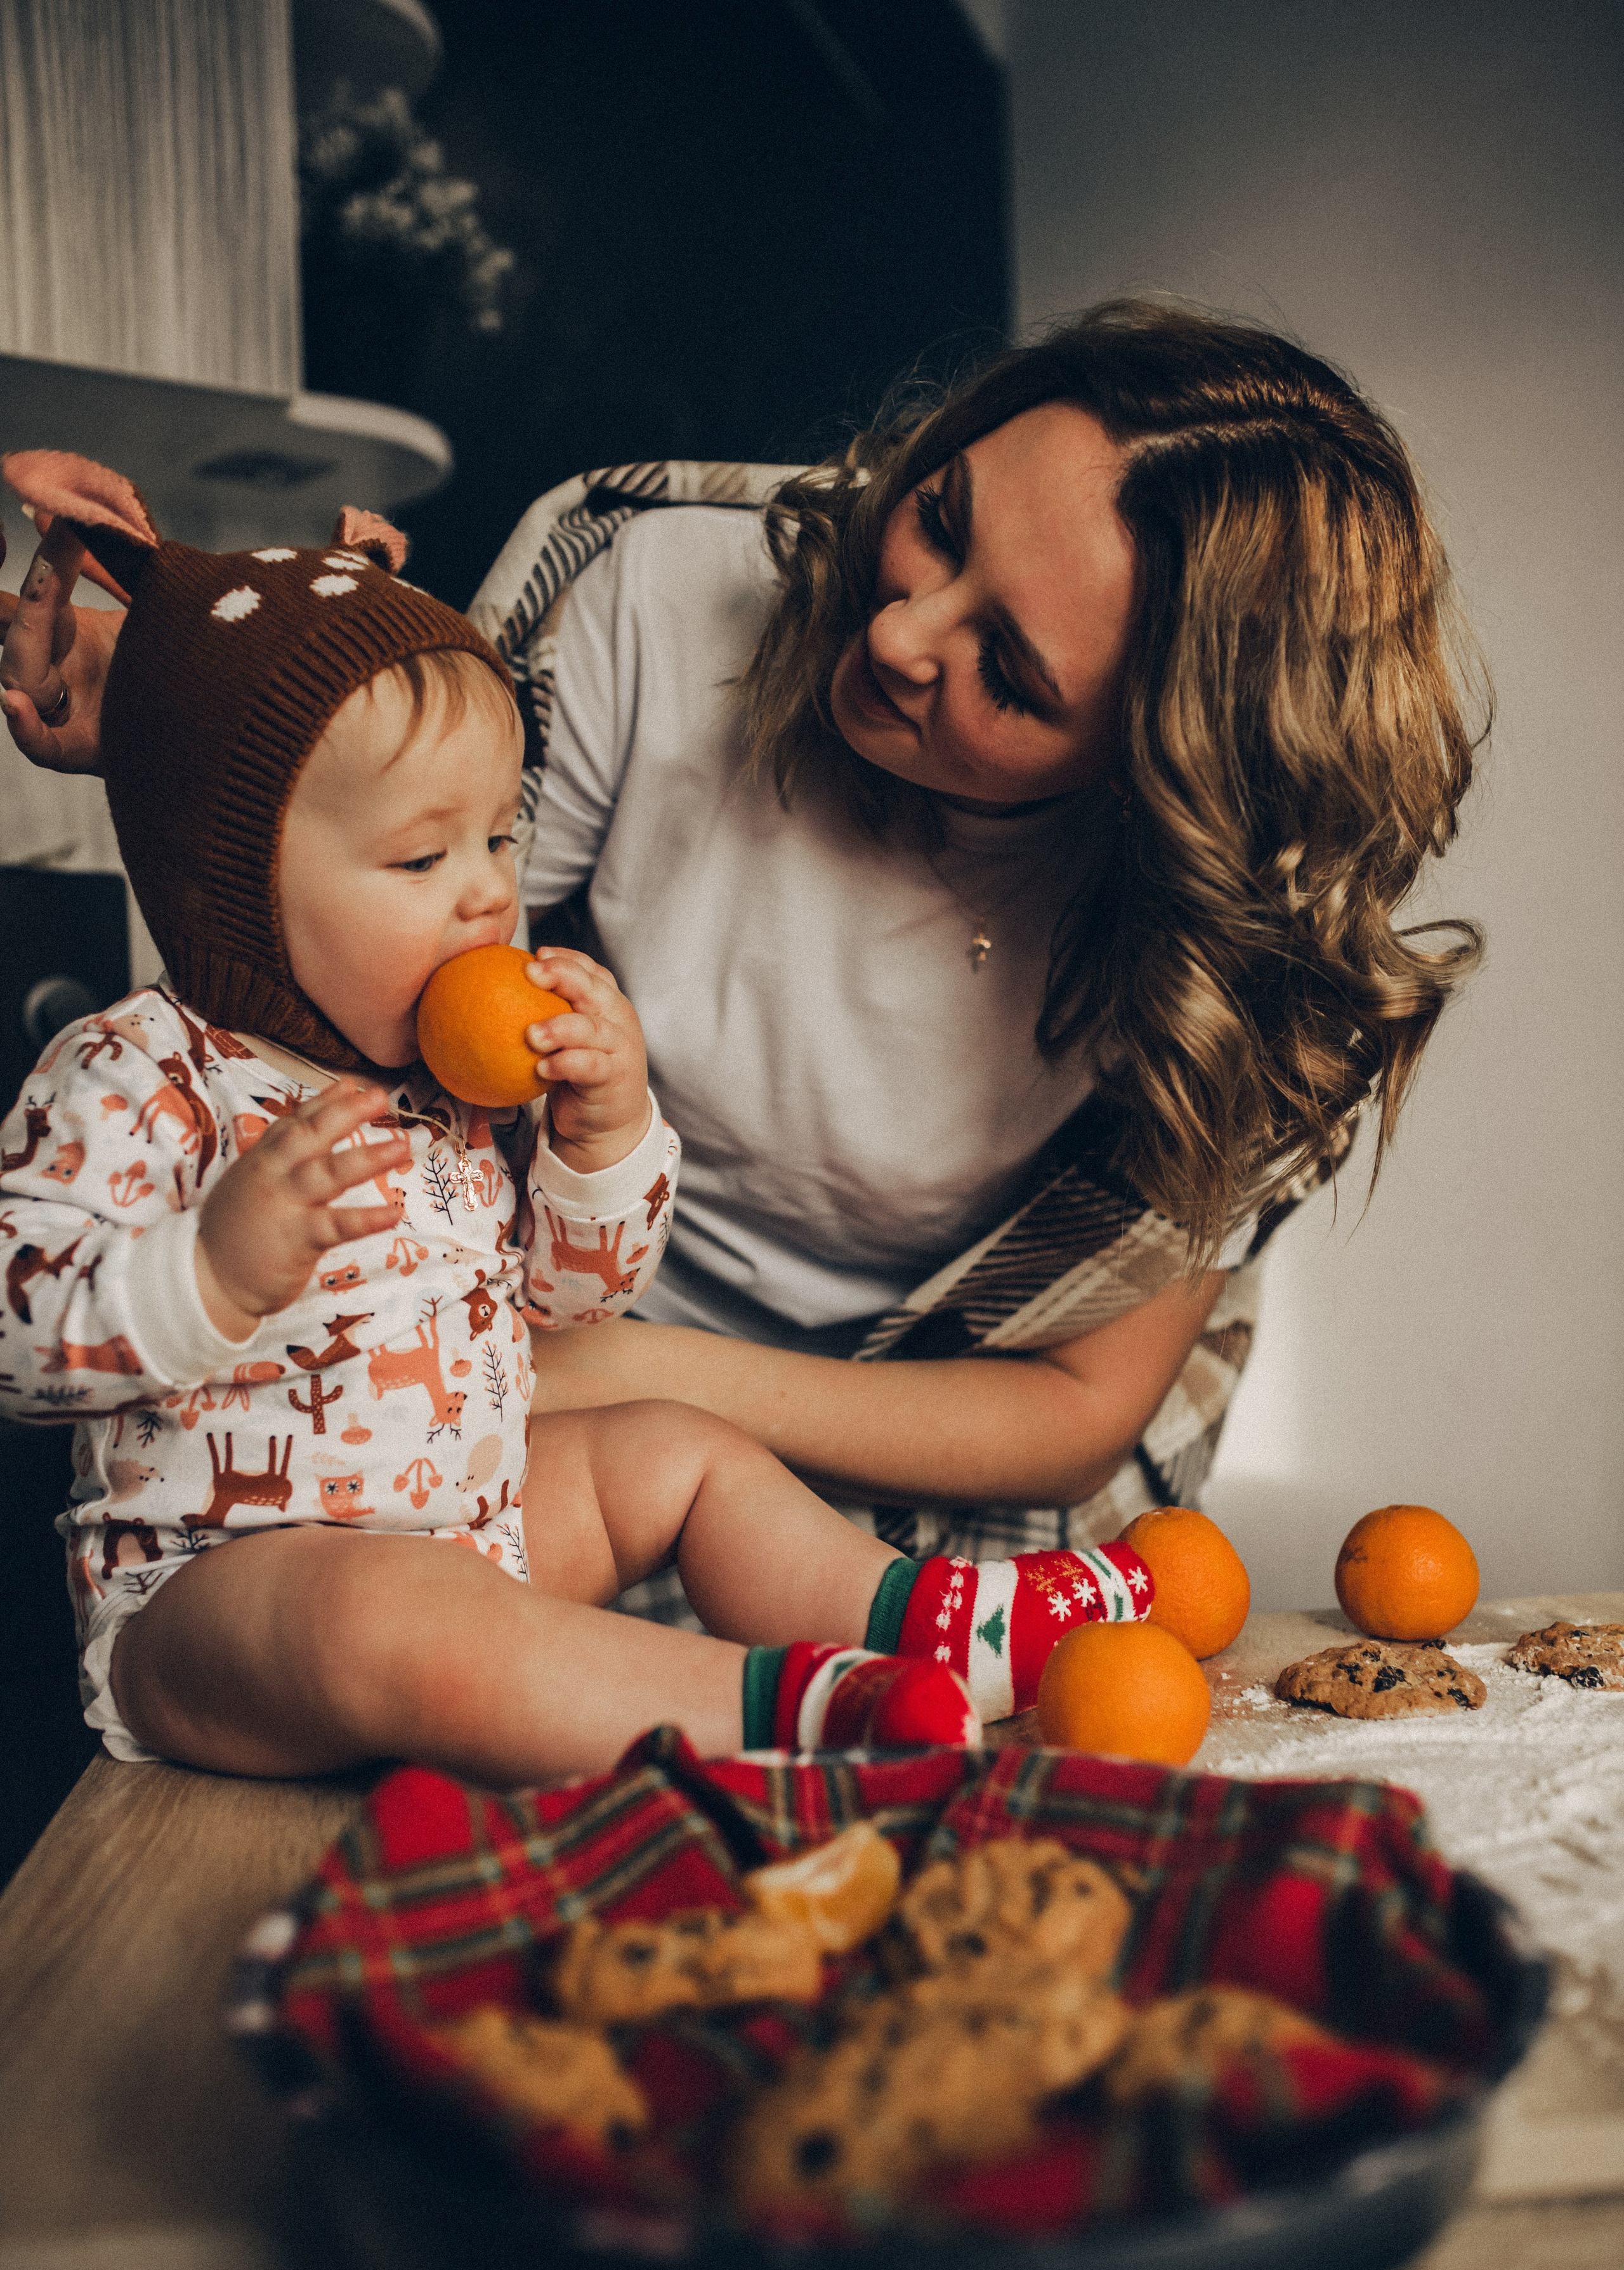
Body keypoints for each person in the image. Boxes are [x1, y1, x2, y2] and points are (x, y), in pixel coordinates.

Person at [1, 299, 1484, 1643]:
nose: (895, 631)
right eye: (942, 518)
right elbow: (382, 915)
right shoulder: (653, 587)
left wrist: (649, 1384)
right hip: (537, 1319)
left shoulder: (1234, 969)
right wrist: (178, 720)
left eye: (1010, 675)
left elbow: (1069, 1416)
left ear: (1155, 774)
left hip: (908, 1438)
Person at [0, 450, 1155, 1785]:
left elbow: (569, 1303)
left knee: (671, 1453)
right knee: (386, 1614)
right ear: (232, 878)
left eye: (497, 839)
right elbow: (17, 1339)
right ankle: (790, 1717)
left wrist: (599, 1143)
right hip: (220, 1594)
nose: (489, 895)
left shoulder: (437, 1088)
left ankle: (929, 1626)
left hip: (476, 1525)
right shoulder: (143, 1071)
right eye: (423, 858)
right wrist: (204, 1272)